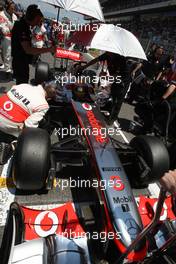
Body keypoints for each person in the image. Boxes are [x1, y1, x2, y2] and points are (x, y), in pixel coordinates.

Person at [0, 81, 56, 164]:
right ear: (49, 98)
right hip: (8, 126)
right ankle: (11, 146)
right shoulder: (43, 105)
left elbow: (12, 89)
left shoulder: (24, 85)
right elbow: (29, 125)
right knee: (40, 125)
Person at [77, 52, 131, 126]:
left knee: (117, 99)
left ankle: (112, 119)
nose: (108, 52)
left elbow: (119, 75)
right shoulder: (107, 54)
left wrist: (107, 77)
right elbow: (96, 60)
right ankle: (108, 111)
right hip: (115, 77)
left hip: (123, 80)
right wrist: (84, 66)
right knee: (112, 94)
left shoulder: (121, 59)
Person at [11, 5, 55, 84]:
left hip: (23, 61)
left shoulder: (25, 26)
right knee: (22, 85)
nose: (38, 22)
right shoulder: (21, 26)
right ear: (32, 17)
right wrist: (49, 49)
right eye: (37, 20)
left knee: (22, 84)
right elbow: (28, 50)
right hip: (20, 62)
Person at [0, 0, 17, 80]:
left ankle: (10, 68)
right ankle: (8, 71)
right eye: (12, 8)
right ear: (7, 8)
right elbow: (4, 29)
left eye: (14, 8)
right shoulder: (2, 15)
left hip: (13, 37)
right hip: (5, 37)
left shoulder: (14, 16)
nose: (13, 10)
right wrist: (12, 29)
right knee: (7, 54)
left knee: (12, 55)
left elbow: (16, 26)